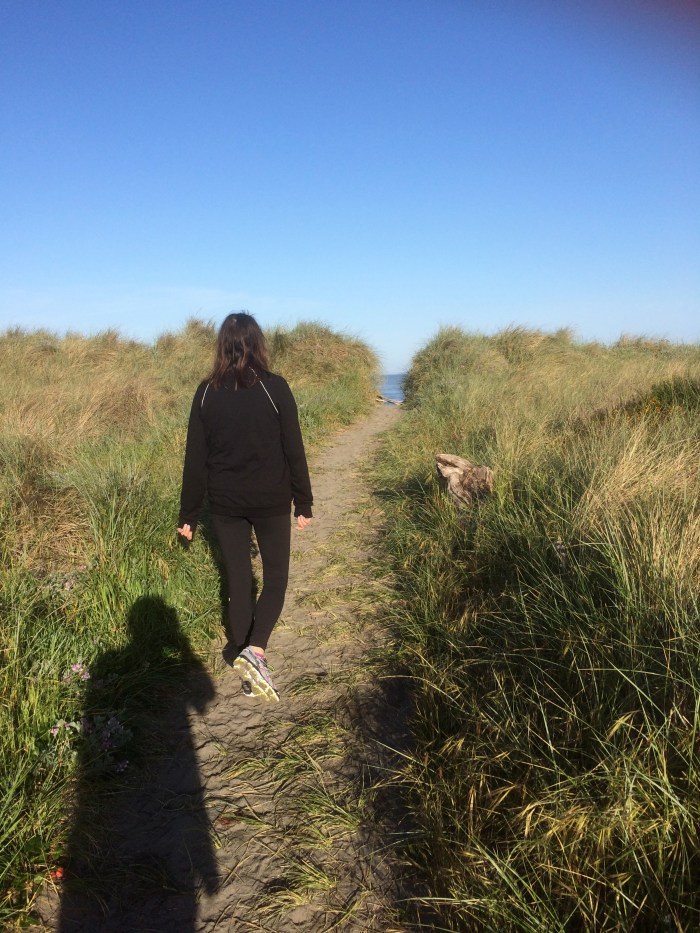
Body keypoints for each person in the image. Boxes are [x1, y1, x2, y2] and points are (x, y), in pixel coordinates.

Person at [177, 312, 313, 701]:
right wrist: (303, 501)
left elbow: (195, 460)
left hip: (225, 505)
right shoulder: (275, 387)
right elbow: (294, 450)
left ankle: (248, 667)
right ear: (257, 344)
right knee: (275, 580)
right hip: (271, 502)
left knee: (239, 583)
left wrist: (189, 514)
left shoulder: (205, 392)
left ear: (222, 345)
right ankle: (256, 653)